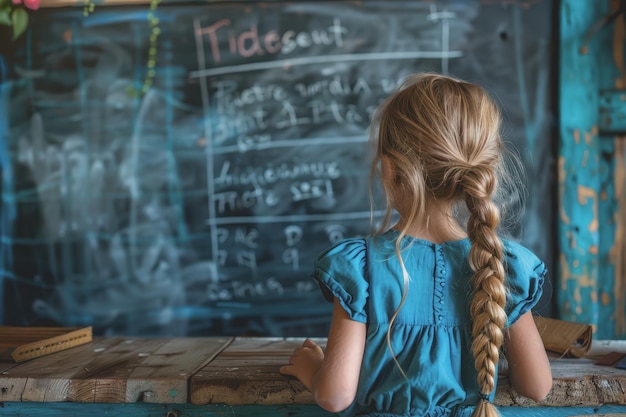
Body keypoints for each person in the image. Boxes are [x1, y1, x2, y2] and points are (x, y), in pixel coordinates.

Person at [279, 73, 552, 417]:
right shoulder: (502, 266)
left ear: (391, 169)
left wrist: (312, 369)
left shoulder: (361, 268)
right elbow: (537, 385)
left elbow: (335, 397)